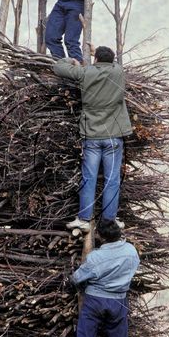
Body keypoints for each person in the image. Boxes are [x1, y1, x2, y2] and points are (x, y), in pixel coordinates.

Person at [53, 46, 132, 232]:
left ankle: (85, 219)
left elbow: (58, 67)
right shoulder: (119, 72)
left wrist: (72, 61)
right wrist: (100, 52)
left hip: (92, 135)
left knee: (89, 178)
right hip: (113, 136)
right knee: (112, 180)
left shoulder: (85, 73)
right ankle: (109, 221)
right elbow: (110, 62)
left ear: (95, 59)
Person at [62, 220, 140, 337]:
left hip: (95, 302)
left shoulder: (96, 257)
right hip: (119, 302)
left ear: (102, 238)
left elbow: (77, 278)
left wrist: (71, 279)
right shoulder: (131, 251)